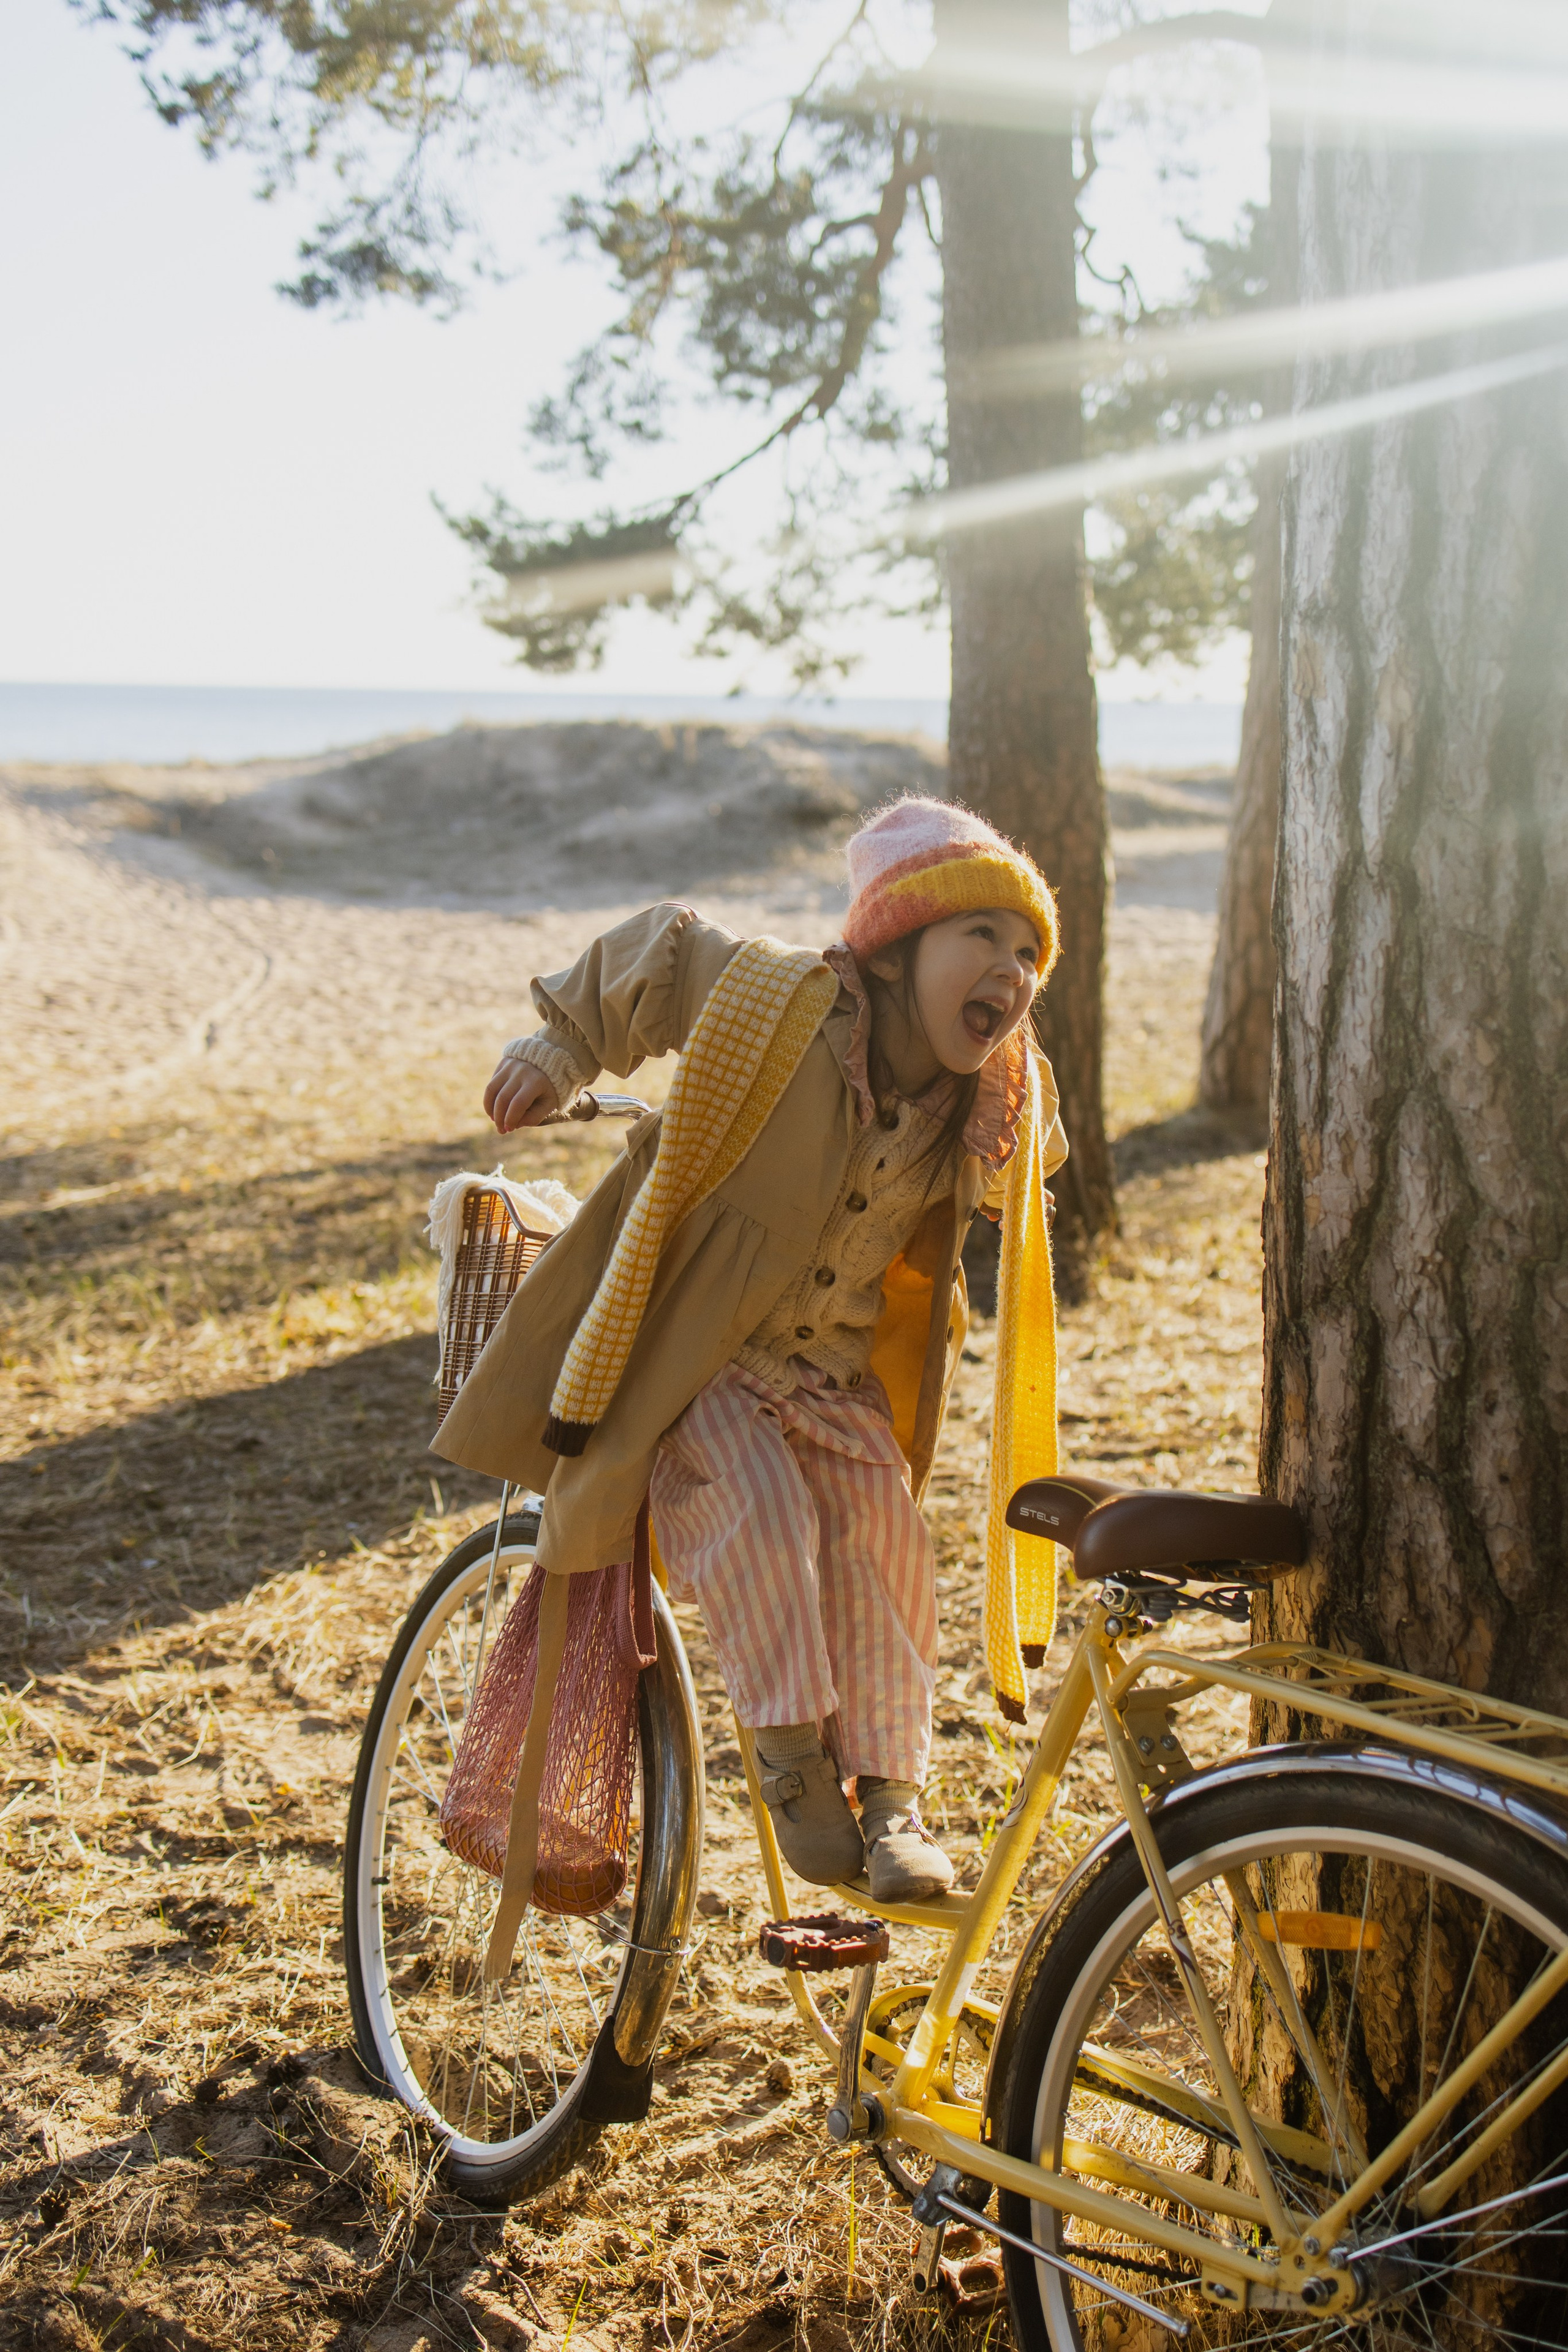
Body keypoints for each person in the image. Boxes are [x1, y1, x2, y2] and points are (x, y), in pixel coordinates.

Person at [433, 795, 1067, 1907]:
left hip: (833, 1376)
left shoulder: (991, 1095)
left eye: (1028, 954)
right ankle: (793, 1762)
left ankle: (894, 1801)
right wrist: (563, 1044)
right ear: (894, 947)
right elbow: (665, 955)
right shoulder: (789, 1005)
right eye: (982, 937)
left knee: (886, 1539)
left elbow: (1030, 1170)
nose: (1010, 972)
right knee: (759, 1512)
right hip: (699, 1360)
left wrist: (1015, 1156)